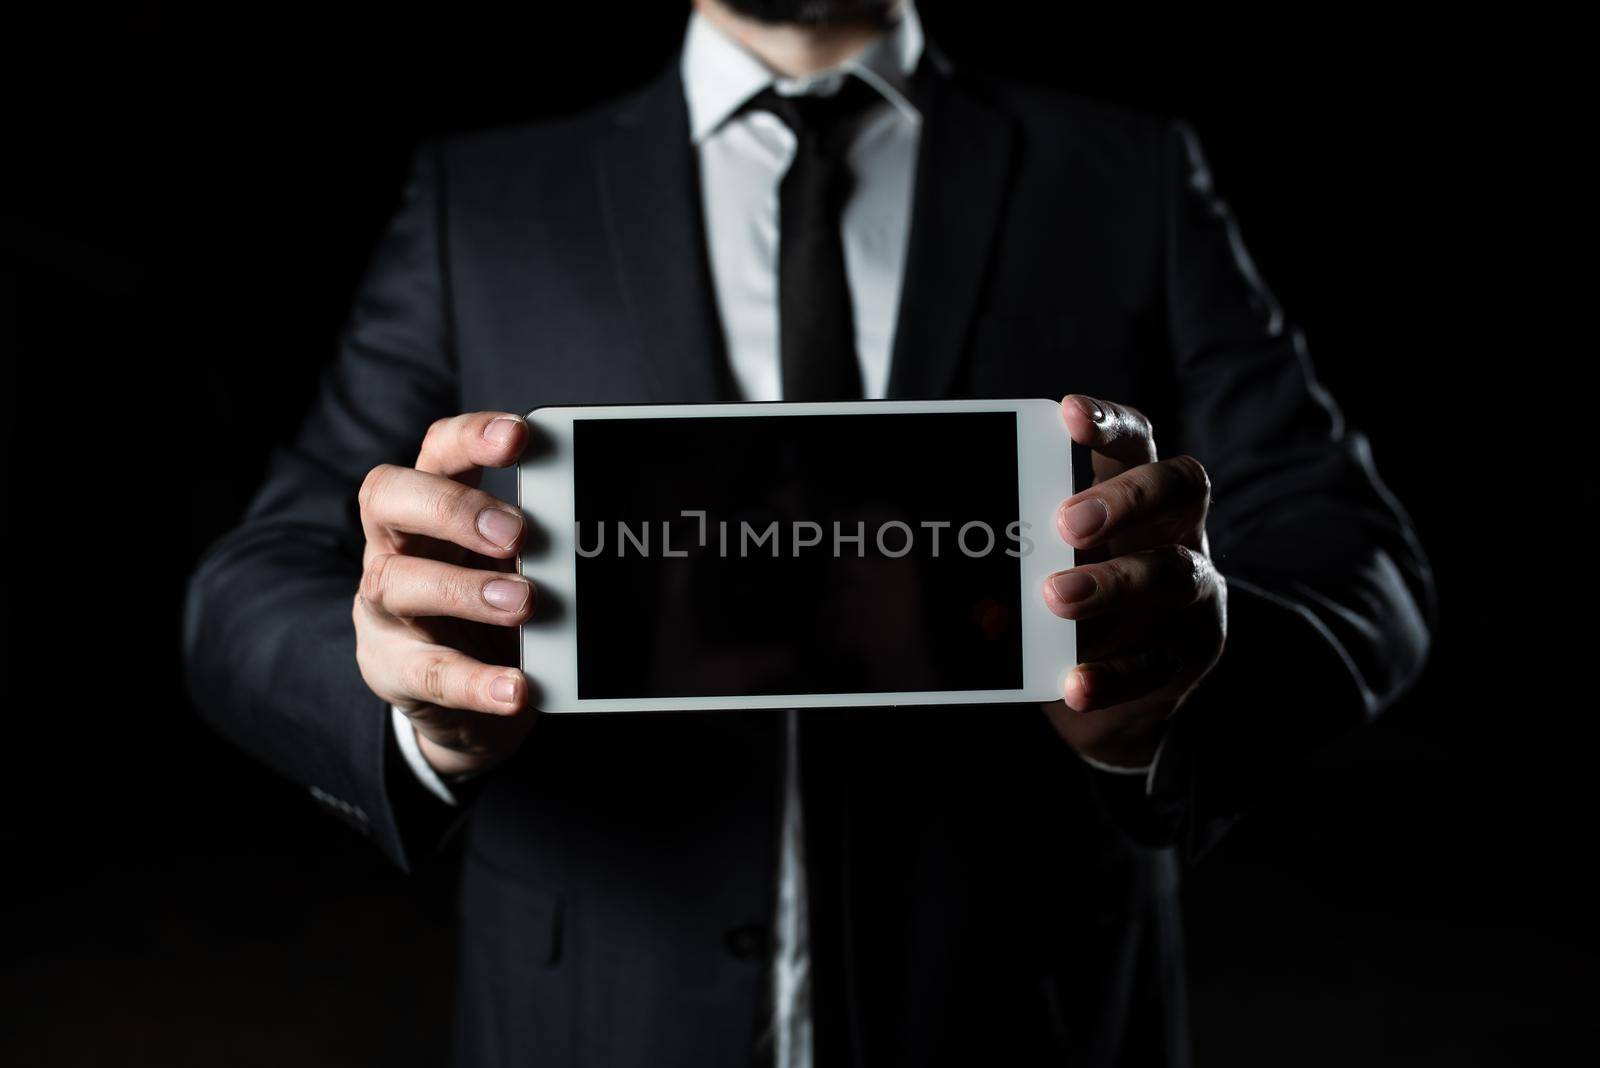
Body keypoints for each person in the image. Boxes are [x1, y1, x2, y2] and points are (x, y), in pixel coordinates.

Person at [182, 1, 1436, 1065]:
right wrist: (420, 700)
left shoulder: (1126, 174)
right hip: (591, 1019)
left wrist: (1170, 698)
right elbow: (251, 584)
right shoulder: (487, 197)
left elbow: (1360, 563)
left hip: (1030, 1014)